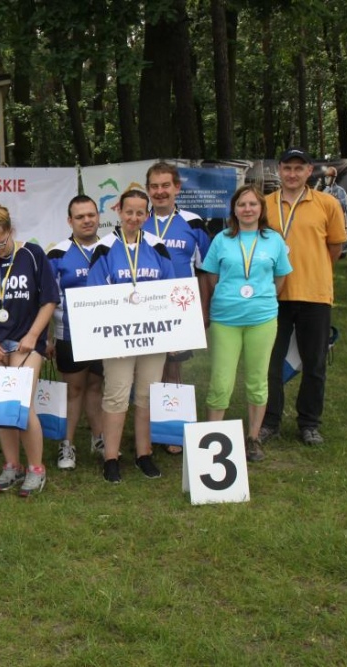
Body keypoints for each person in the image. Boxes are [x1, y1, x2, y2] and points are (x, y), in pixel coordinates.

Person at [0, 199, 59, 497]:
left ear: (10, 231)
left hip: (25, 343)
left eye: (0, 243)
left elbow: (49, 299)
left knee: (22, 405)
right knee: (2, 407)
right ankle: (11, 465)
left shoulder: (32, 254)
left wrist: (33, 336)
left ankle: (36, 468)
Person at [87, 188, 175, 482]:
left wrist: (173, 334)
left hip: (153, 335)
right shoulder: (104, 248)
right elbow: (95, 294)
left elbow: (170, 290)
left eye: (140, 213)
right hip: (118, 338)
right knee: (116, 394)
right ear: (119, 212)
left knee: (148, 394)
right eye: (129, 212)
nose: (134, 217)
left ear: (147, 215)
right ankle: (111, 457)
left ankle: (143, 453)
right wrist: (109, 335)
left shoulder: (158, 246)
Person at [262, 148, 347, 447]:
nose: (292, 174)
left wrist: (315, 270)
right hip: (273, 295)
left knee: (315, 363)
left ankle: (309, 423)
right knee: (270, 362)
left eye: (299, 168)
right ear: (279, 170)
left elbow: (335, 247)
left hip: (314, 294)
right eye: (287, 168)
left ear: (309, 171)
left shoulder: (327, 203)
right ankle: (269, 421)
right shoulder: (265, 204)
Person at [201, 185, 292, 462]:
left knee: (257, 380)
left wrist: (261, 299)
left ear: (261, 208)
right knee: (221, 381)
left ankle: (253, 438)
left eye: (253, 204)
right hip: (225, 320)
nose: (247, 209)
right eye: (242, 204)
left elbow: (280, 278)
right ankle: (212, 438)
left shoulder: (274, 240)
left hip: (261, 320)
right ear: (234, 209)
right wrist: (230, 297)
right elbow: (211, 278)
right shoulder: (222, 239)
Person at [145, 162, 211, 429]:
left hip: (180, 308)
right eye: (154, 186)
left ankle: (173, 427)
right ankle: (150, 425)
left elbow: (205, 271)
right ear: (148, 190)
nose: (160, 191)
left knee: (173, 367)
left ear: (177, 188)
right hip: (145, 309)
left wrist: (203, 311)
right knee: (149, 369)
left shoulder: (193, 222)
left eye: (165, 185)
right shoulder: (138, 221)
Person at [46, 195, 105, 470]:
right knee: (74, 389)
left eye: (91, 215)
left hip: (106, 333)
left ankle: (99, 438)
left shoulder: (111, 248)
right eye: (80, 217)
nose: (87, 220)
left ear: (98, 216)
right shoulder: (57, 254)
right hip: (69, 333)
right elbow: (47, 298)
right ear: (70, 221)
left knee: (96, 387)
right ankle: (67, 444)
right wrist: (48, 336)